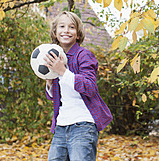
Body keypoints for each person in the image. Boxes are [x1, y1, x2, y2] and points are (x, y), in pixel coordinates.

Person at [44, 11, 112, 161]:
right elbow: (54, 97)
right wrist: (49, 83)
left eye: (71, 27)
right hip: (61, 125)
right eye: (62, 26)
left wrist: (63, 71)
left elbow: (89, 87)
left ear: (78, 34)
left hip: (83, 125)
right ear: (55, 33)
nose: (66, 30)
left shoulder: (84, 55)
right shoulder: (54, 57)